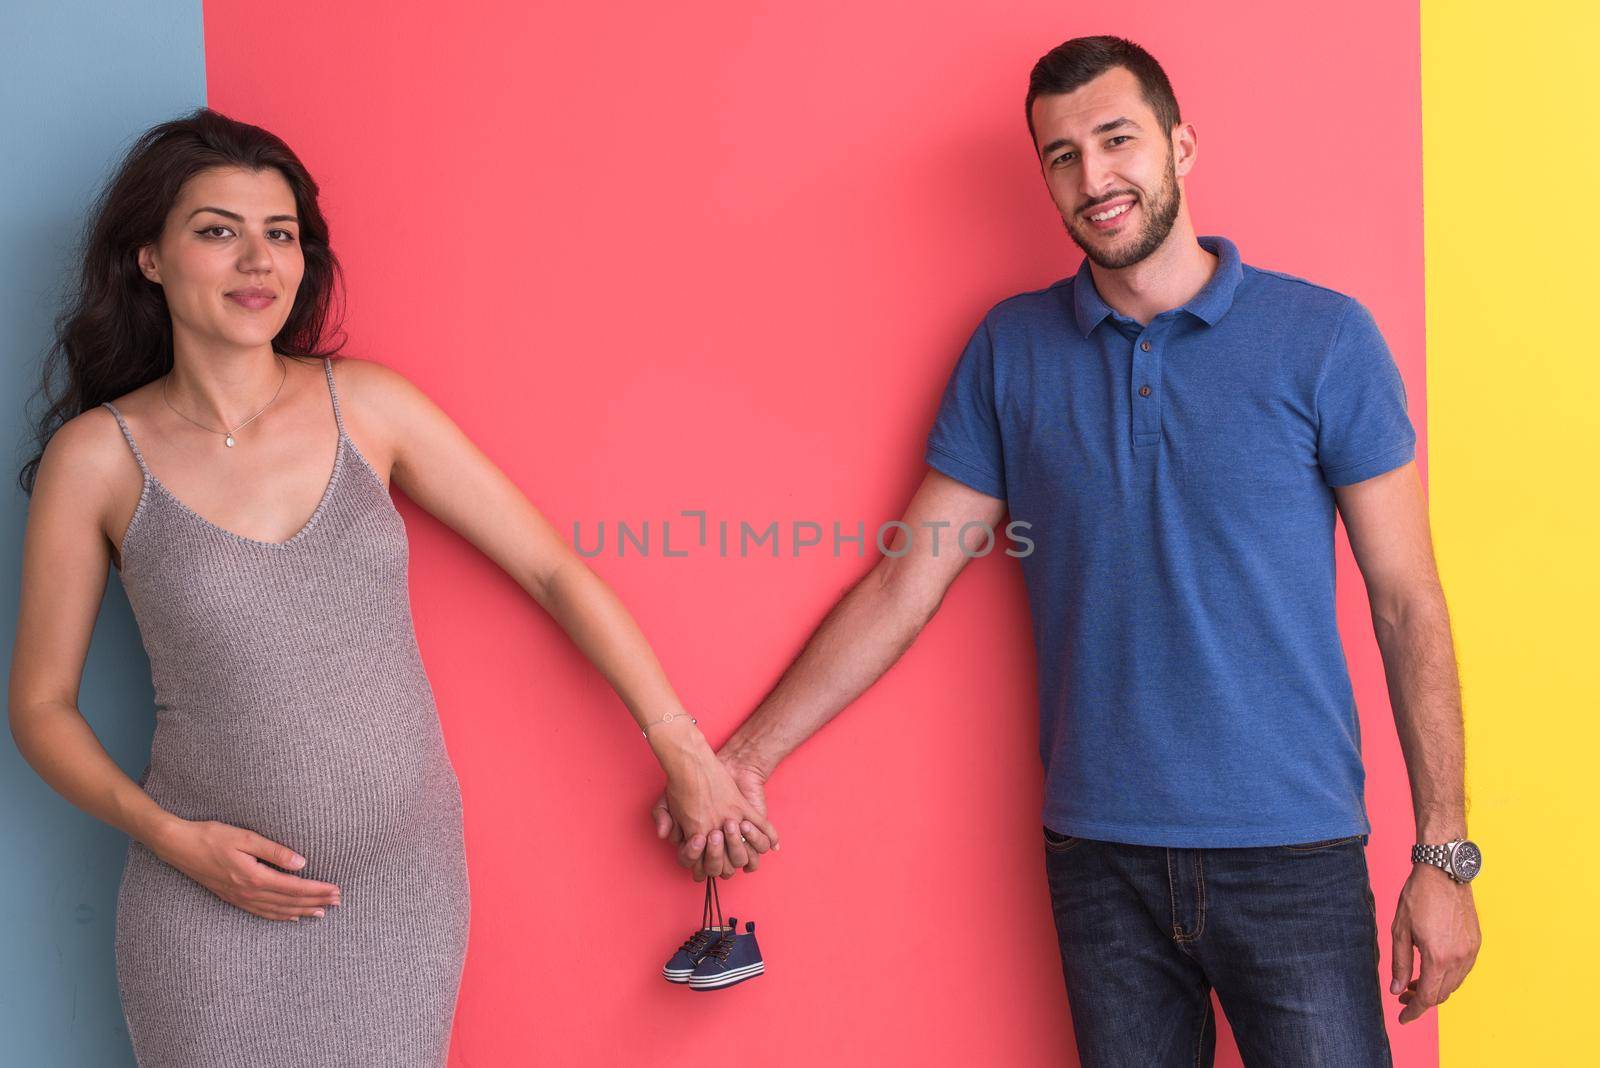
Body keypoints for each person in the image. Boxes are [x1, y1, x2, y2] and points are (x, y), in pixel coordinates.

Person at [651, 35, 1481, 1067]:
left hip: (1294, 854)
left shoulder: (1322, 340)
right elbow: (909, 581)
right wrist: (740, 761)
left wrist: (1443, 858)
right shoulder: (1010, 351)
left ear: (1179, 145)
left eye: (1116, 139)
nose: (1094, 178)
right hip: (1100, 860)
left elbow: (1407, 603)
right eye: (1060, 156)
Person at [7, 107, 774, 1068]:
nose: (258, 261)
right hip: (202, 897)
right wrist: (172, 839)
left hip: (398, 890)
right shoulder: (99, 458)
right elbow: (39, 706)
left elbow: (552, 569)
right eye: (217, 231)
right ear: (148, 259)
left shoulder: (369, 406)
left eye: (279, 234)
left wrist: (685, 750)